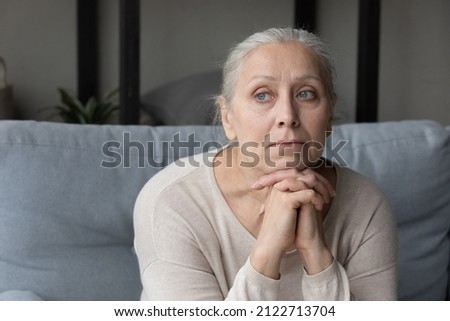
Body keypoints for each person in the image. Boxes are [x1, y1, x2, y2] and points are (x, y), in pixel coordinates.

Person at [133, 27, 397, 300]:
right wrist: (267, 253)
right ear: (228, 118)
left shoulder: (366, 204)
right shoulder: (172, 201)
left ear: (329, 116)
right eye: (262, 95)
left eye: (306, 94)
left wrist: (317, 257)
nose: (287, 115)